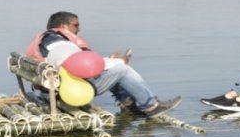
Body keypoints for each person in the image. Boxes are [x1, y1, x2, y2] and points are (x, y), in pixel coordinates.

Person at [26, 11, 181, 118]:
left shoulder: (46, 41)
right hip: (69, 93)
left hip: (54, 89)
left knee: (112, 67)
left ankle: (127, 103)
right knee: (122, 69)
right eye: (75, 25)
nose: (79, 29)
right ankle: (151, 106)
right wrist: (117, 61)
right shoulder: (59, 43)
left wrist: (107, 60)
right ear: (63, 26)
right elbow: (81, 67)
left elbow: (72, 62)